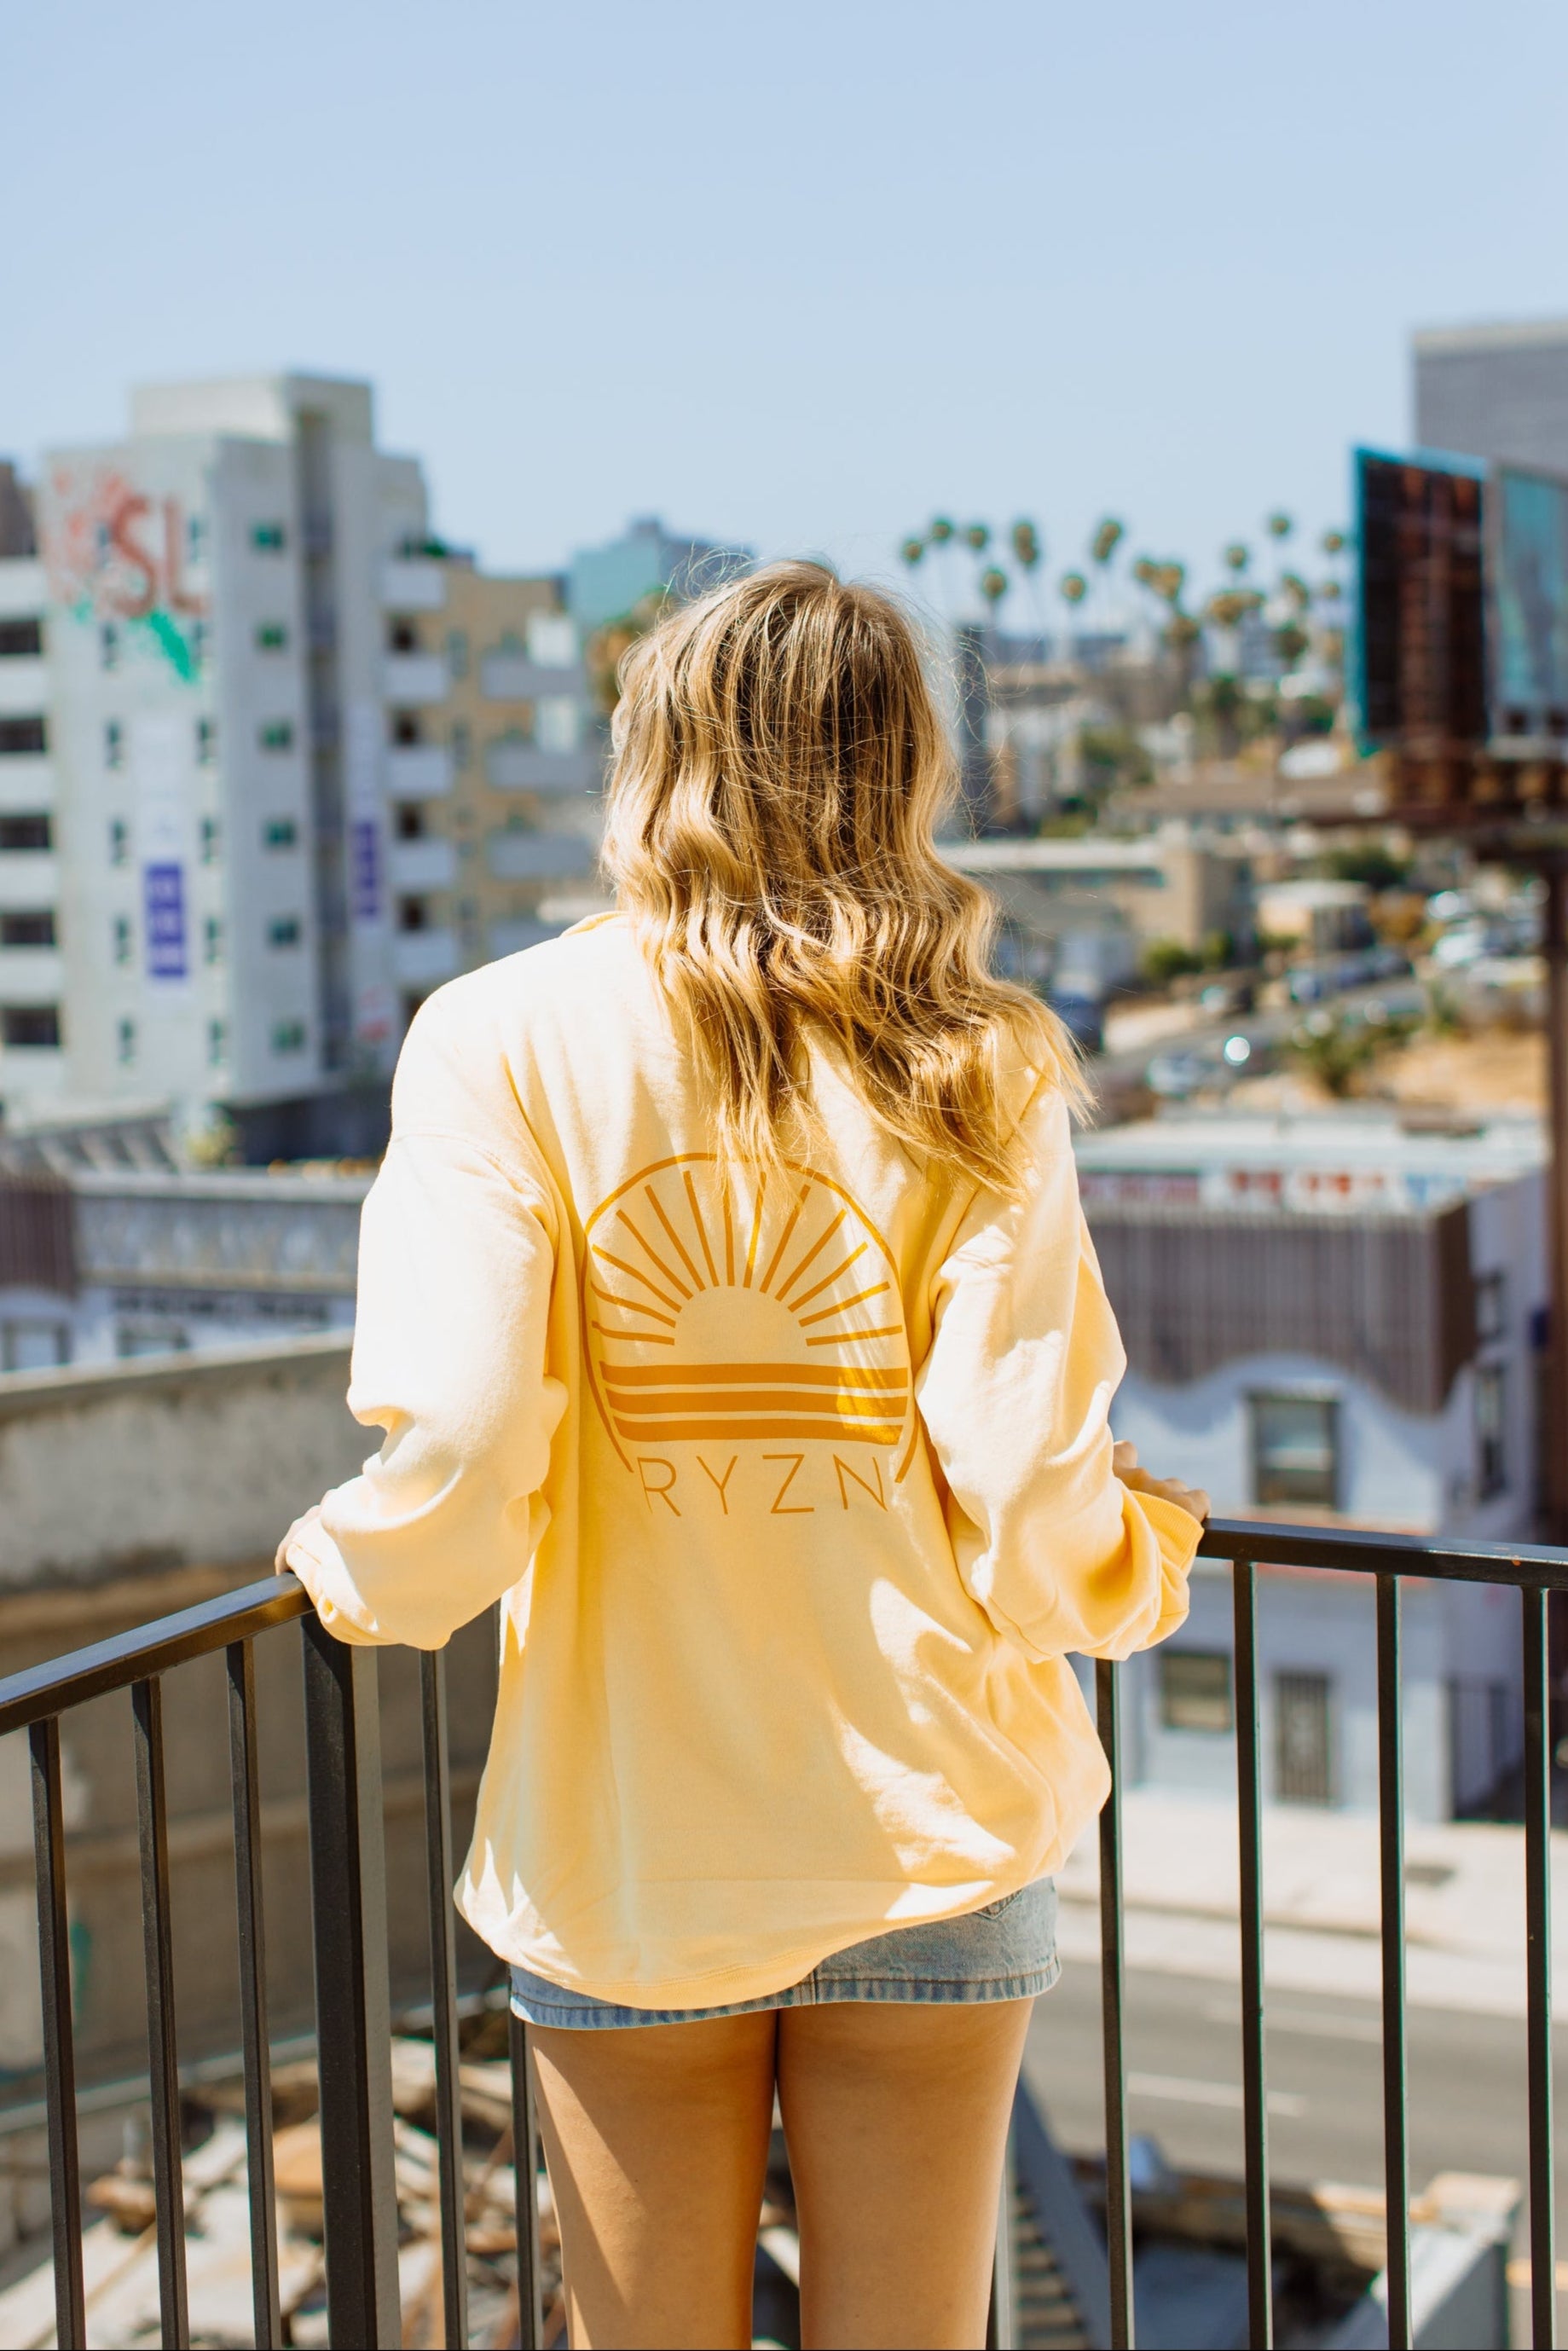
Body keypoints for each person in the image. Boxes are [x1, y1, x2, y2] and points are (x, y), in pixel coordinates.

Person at [278, 562, 1207, 2350]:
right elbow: (1025, 1475)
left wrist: (360, 1568)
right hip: (928, 1805)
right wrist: (1132, 1566)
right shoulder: (975, 1054)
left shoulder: (499, 1035)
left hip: (636, 1829)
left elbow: (463, 1440)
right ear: (903, 768)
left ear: (650, 757)